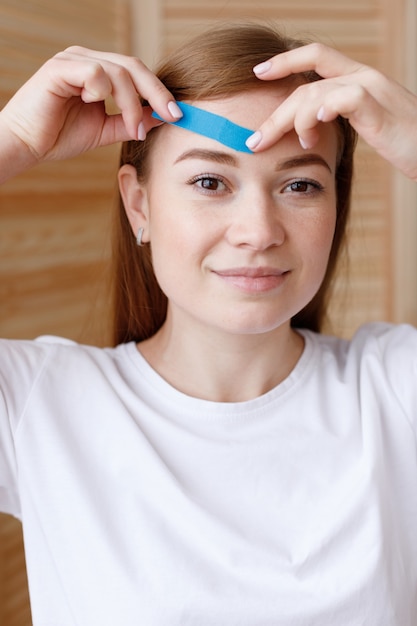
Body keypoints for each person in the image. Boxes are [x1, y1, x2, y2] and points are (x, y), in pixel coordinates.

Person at [0, 22, 416, 626]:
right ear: (140, 205)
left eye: (300, 184)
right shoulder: (37, 404)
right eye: (209, 182)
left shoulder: (395, 393)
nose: (258, 230)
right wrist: (10, 137)